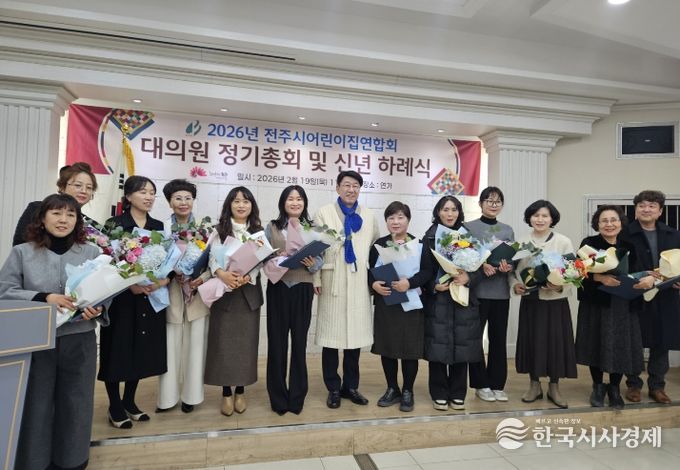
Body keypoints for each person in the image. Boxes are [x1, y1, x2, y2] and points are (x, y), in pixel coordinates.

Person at [0, 194, 105, 470]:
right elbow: (5, 291)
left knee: (77, 403)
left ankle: (72, 460)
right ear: (42, 218)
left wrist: (98, 308)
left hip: (80, 340)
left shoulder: (92, 253)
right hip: (36, 342)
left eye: (70, 214)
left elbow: (106, 294)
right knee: (37, 403)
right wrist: (43, 297)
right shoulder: (22, 252)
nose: (63, 220)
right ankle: (34, 461)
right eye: (56, 213)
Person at [98, 176, 169, 428]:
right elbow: (107, 261)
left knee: (140, 348)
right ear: (128, 196)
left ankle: (129, 400)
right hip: (121, 299)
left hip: (150, 296)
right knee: (117, 349)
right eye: (142, 192)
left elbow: (166, 260)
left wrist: (160, 281)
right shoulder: (115, 224)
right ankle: (114, 405)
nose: (148, 197)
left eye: (151, 192)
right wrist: (130, 284)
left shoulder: (158, 226)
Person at [314, 170, 379, 409]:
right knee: (331, 339)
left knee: (355, 340)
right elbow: (316, 249)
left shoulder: (368, 215)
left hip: (358, 281)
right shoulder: (324, 213)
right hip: (332, 280)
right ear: (337, 188)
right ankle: (333, 388)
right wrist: (316, 279)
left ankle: (351, 387)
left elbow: (374, 248)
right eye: (346, 185)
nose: (351, 190)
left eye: (355, 186)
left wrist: (374, 280)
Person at [575, 205, 650, 409]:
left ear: (621, 223)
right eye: (604, 221)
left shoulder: (629, 245)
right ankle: (598, 387)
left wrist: (645, 279)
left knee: (621, 346)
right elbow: (577, 271)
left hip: (623, 304)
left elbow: (639, 272)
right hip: (596, 304)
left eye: (613, 220)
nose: (609, 224)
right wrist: (599, 277)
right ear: (597, 224)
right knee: (595, 344)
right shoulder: (589, 244)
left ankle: (614, 388)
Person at [512, 200, 577, 409]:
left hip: (555, 302)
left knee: (555, 343)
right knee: (532, 341)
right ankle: (534, 385)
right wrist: (515, 285)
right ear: (529, 218)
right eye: (536, 215)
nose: (540, 219)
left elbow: (573, 273)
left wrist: (558, 285)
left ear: (552, 219)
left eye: (545, 216)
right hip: (531, 301)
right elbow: (513, 272)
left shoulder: (563, 242)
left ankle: (554, 387)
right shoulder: (521, 242)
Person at [204, 186, 264, 416]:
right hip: (224, 293)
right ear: (229, 204)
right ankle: (226, 393)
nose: (241, 205)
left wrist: (248, 276)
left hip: (248, 295)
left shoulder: (258, 232)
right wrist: (222, 274)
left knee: (245, 347)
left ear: (252, 206)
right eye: (236, 201)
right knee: (223, 346)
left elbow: (261, 260)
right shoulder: (218, 230)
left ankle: (241, 391)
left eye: (246, 201)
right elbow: (211, 258)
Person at [421, 195, 483, 411]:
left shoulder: (469, 237)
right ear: (438, 212)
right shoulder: (429, 238)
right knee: (438, 347)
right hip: (439, 299)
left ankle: (458, 392)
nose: (450, 214)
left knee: (462, 345)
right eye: (445, 209)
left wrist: (469, 278)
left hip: (462, 297)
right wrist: (433, 286)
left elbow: (479, 269)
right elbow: (424, 271)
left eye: (454, 209)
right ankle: (438, 392)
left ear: (459, 212)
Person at [264, 185, 321, 415]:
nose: (295, 202)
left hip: (302, 288)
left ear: (304, 203)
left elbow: (320, 260)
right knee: (277, 344)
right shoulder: (272, 227)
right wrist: (276, 256)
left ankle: (297, 397)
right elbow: (261, 256)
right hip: (278, 288)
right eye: (290, 199)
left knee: (299, 344)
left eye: (299, 199)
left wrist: (312, 263)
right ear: (283, 203)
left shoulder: (313, 228)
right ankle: (278, 398)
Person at [156, 179, 211, 414]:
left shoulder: (206, 231)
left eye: (188, 198)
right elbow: (155, 262)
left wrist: (201, 278)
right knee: (169, 349)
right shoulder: (161, 231)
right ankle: (167, 399)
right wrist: (172, 272)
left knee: (195, 348)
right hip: (171, 295)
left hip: (197, 296)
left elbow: (215, 262)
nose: (183, 202)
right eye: (178, 198)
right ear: (169, 202)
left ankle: (191, 396)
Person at [369, 201, 428, 412]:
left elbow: (426, 272)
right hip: (387, 302)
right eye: (391, 218)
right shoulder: (379, 244)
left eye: (400, 217)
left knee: (409, 349)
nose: (396, 221)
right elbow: (369, 270)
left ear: (408, 220)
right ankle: (392, 388)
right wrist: (373, 284)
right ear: (386, 221)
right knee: (388, 348)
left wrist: (409, 283)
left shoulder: (418, 244)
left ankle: (408, 390)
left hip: (411, 302)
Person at [622, 190, 680, 404]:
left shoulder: (673, 234)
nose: (646, 209)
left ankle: (657, 386)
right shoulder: (624, 234)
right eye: (642, 205)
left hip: (666, 295)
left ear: (660, 211)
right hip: (635, 294)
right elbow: (620, 266)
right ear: (636, 209)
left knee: (661, 342)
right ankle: (633, 384)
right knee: (633, 341)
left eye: (652, 206)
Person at [466, 186, 515, 403]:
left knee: (498, 340)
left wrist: (508, 266)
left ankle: (497, 384)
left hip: (501, 292)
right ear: (480, 204)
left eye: (497, 202)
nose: (493, 205)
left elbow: (513, 259)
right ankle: (480, 384)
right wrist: (481, 264)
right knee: (475, 339)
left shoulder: (507, 230)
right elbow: (463, 256)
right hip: (477, 292)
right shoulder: (468, 227)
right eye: (489, 201)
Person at [12, 162, 99, 246]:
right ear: (62, 187)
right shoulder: (38, 208)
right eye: (78, 185)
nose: (84, 191)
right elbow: (20, 244)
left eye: (89, 187)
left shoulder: (91, 223)